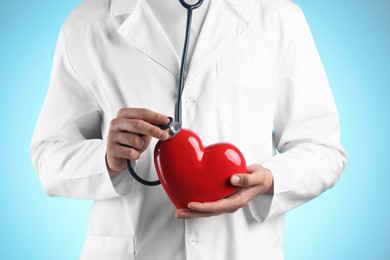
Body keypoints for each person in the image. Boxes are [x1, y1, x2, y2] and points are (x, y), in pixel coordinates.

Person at [30, 0, 348, 259]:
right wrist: (107, 158)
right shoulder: (88, 25)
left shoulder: (279, 19)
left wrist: (267, 180)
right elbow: (48, 155)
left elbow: (323, 150)